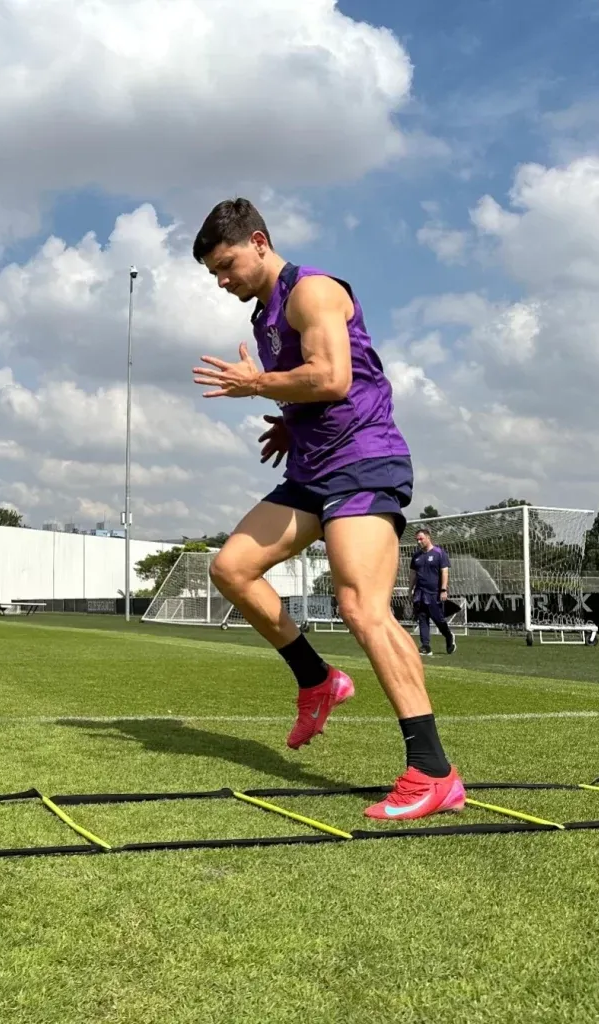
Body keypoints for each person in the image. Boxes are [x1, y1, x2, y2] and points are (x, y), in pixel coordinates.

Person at [191, 198, 465, 820]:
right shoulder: (265, 314)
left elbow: (334, 377)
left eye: (227, 265)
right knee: (231, 568)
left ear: (259, 242)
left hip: (364, 463)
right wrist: (289, 424)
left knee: (361, 607)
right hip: (313, 470)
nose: (223, 280)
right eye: (214, 275)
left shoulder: (311, 292)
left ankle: (434, 772)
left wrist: (257, 383)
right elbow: (314, 389)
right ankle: (317, 680)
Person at [410, 528, 457, 656]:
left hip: (434, 593)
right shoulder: (416, 556)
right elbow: (413, 574)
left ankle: (448, 636)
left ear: (428, 538)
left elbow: (444, 572)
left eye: (421, 539)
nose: (419, 542)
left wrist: (443, 590)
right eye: (417, 540)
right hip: (420, 593)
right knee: (422, 618)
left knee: (438, 619)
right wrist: (410, 590)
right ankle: (426, 646)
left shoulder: (439, 553)